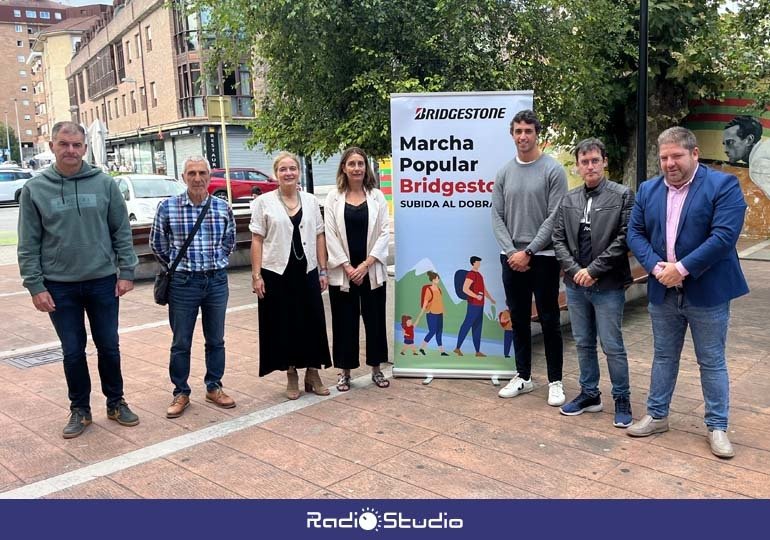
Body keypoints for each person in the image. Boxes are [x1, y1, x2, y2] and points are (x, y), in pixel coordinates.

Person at [627, 126, 749, 458]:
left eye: (676, 156)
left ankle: (718, 426)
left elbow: (723, 238)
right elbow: (635, 233)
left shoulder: (723, 185)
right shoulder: (648, 190)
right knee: (663, 356)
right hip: (662, 290)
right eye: (664, 157)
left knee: (711, 360)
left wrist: (679, 269)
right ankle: (657, 414)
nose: (669, 163)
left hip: (707, 291)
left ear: (694, 154)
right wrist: (656, 268)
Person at [17, 121, 140, 439]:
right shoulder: (35, 189)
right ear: (52, 147)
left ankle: (116, 402)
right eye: (64, 144)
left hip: (102, 281)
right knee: (72, 351)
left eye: (76, 144)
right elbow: (28, 243)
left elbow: (121, 232)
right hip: (59, 286)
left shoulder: (104, 183)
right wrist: (35, 285)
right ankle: (80, 410)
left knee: (109, 347)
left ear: (85, 147)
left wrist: (126, 271)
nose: (70, 150)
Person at [552, 138, 635, 427]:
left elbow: (624, 238)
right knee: (583, 342)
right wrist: (576, 271)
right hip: (575, 285)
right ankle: (590, 394)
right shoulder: (569, 199)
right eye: (584, 162)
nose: (590, 166)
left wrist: (594, 270)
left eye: (595, 160)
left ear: (604, 162)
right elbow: (558, 239)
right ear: (578, 166)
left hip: (608, 285)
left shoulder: (623, 195)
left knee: (612, 345)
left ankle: (622, 398)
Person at [151, 156, 236, 418]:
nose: (197, 178)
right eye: (192, 173)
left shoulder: (222, 207)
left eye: (202, 173)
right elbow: (157, 244)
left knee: (216, 339)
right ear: (183, 177)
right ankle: (181, 392)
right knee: (181, 341)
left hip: (216, 281)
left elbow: (229, 241)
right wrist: (177, 267)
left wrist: (216, 261)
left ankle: (214, 386)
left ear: (210, 177)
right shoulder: (168, 207)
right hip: (183, 283)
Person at [491, 109, 568, 406]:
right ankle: (523, 376)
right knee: (519, 318)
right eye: (518, 131)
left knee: (549, 319)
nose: (523, 136)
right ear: (512, 135)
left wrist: (530, 251)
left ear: (537, 134)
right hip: (510, 258)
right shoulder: (504, 173)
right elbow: (496, 215)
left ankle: (556, 381)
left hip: (544, 257)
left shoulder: (552, 170)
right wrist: (513, 252)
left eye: (528, 131)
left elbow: (555, 216)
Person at [251, 151, 331, 399]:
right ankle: (291, 373)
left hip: (306, 270)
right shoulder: (263, 202)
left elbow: (319, 235)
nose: (289, 173)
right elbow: (257, 239)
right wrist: (256, 276)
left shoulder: (309, 200)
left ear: (298, 172)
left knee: (313, 322)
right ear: (276, 174)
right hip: (276, 271)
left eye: (292, 168)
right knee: (284, 324)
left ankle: (313, 373)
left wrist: (323, 269)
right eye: (283, 169)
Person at [325, 147, 389, 392]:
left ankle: (376, 368)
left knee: (374, 321)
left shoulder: (377, 196)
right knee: (344, 323)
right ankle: (345, 372)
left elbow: (384, 232)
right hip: (343, 272)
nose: (356, 168)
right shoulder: (333, 197)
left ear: (366, 167)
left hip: (370, 271)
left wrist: (365, 265)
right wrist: (348, 267)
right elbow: (329, 234)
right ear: (343, 167)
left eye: (360, 163)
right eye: (351, 163)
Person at [453, 256, 495, 357]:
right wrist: (476, 296)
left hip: (480, 305)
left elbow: (483, 289)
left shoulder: (479, 275)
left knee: (477, 327)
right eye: (478, 262)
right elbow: (465, 289)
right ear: (473, 263)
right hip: (473, 304)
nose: (479, 264)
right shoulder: (471, 275)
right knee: (467, 325)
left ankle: (477, 351)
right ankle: (457, 348)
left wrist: (490, 299)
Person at [415, 271, 448, 356]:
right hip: (431, 313)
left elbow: (440, 302)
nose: (438, 280)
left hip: (439, 313)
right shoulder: (428, 290)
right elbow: (425, 304)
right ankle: (421, 348)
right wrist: (418, 318)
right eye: (437, 279)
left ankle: (442, 351)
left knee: (439, 332)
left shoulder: (439, 289)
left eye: (438, 278)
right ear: (433, 280)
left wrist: (443, 311)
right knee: (432, 331)